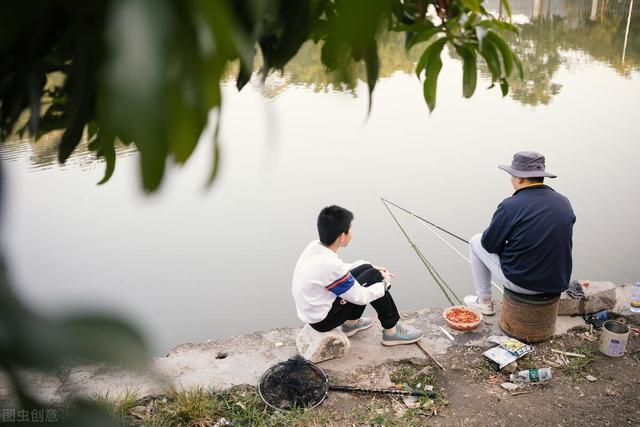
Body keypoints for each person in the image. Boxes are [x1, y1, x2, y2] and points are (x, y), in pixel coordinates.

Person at [464, 151, 576, 315]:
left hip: (524, 285)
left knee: (475, 241)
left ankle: (484, 301)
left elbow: (488, 245)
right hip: (557, 283)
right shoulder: (564, 202)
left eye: (511, 175)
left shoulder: (510, 206)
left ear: (519, 178)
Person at [292, 205, 422, 346]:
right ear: (342, 236)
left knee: (368, 269)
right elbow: (361, 297)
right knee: (374, 278)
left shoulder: (315, 247)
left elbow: (340, 271)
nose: (352, 232)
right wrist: (384, 284)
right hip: (323, 321)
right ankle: (391, 331)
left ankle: (350, 324)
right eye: (350, 229)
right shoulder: (330, 266)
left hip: (313, 313)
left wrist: (372, 267)